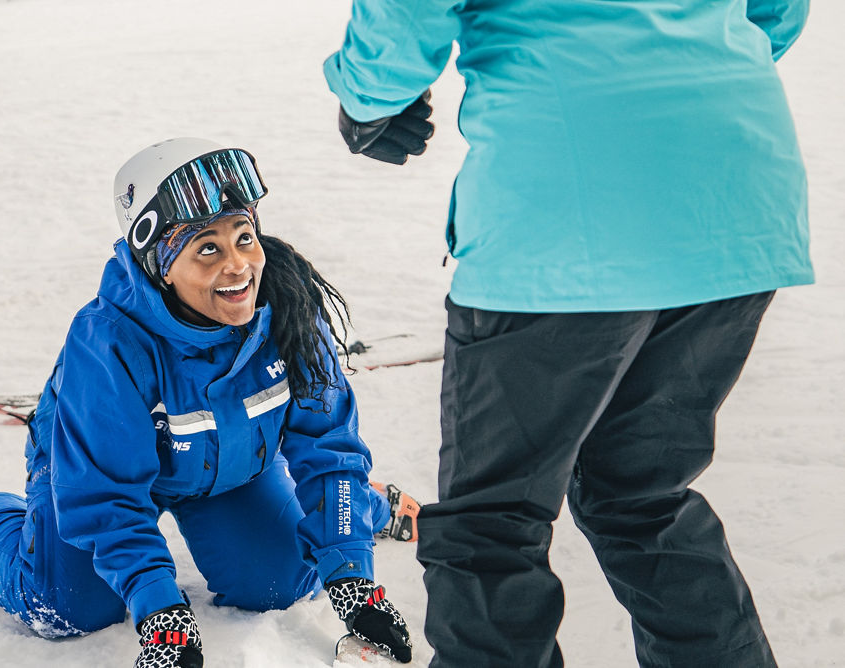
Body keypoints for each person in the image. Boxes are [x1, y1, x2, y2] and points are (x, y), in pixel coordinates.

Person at [324, 1, 812, 666]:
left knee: (491, 522)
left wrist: (369, 98)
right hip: (731, 184)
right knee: (642, 493)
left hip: (563, 218)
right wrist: (693, 60)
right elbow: (775, 11)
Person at [0, 138, 418, 666]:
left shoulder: (291, 309)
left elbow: (329, 447)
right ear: (160, 265)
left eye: (244, 238)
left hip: (234, 468)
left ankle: (363, 509)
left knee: (277, 582)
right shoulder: (107, 342)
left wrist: (352, 575)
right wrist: (161, 612)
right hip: (94, 479)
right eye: (207, 249)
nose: (238, 266)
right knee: (70, 609)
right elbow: (105, 494)